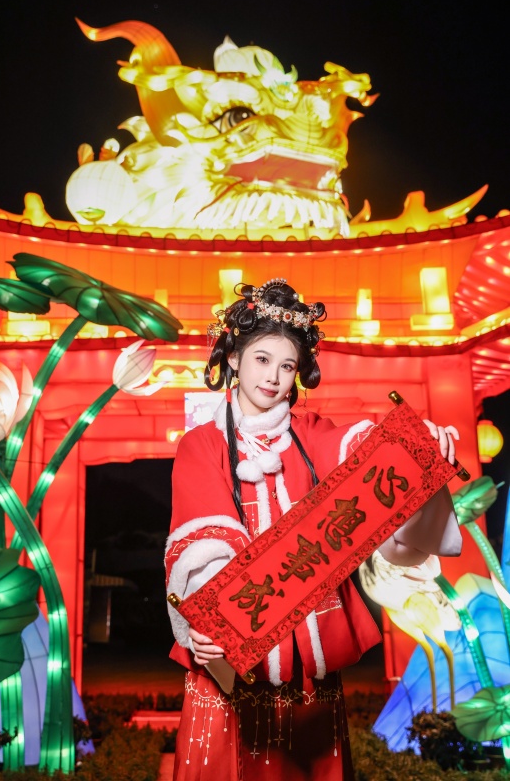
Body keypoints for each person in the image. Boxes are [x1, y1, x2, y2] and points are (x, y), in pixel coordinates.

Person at [165, 278, 462, 780]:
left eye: (287, 366)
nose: (274, 377)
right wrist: (210, 624)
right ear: (234, 357)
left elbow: (363, 456)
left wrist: (416, 450)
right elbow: (202, 541)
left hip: (308, 662)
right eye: (262, 359)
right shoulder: (202, 444)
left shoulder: (312, 434)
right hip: (232, 666)